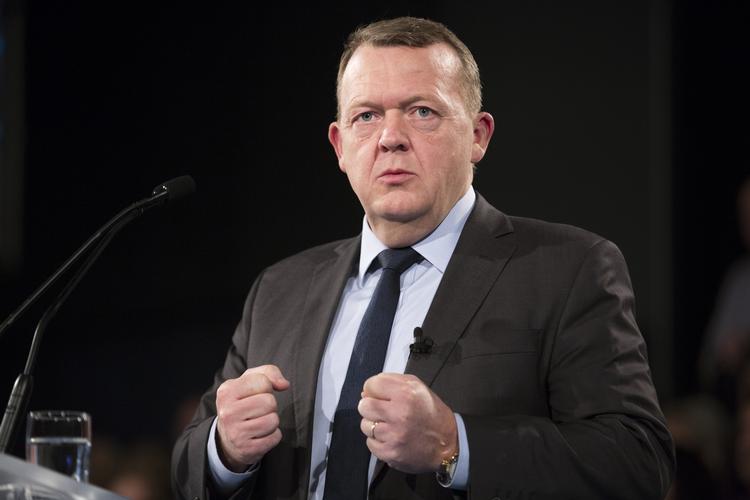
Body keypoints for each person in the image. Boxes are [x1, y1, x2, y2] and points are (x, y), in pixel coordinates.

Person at [172, 17, 674, 500]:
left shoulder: (568, 270)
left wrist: (456, 444)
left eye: (421, 111)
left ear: (478, 135)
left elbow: (637, 460)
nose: (390, 137)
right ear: (340, 145)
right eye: (366, 116)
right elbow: (187, 465)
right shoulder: (279, 289)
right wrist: (224, 450)